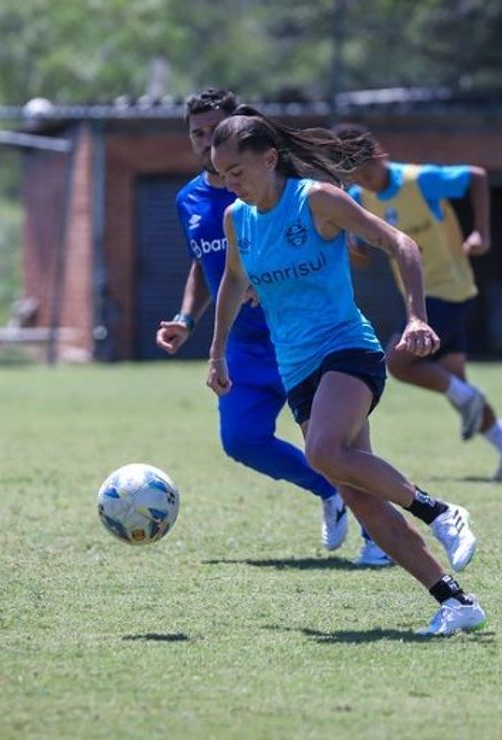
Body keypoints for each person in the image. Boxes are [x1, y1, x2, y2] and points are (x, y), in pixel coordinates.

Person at [207, 107, 486, 635]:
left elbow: (402, 243)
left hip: (347, 350)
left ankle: (441, 512)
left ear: (269, 159)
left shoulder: (315, 200)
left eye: (237, 172)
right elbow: (232, 283)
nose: (229, 183)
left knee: (322, 453)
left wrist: (416, 318)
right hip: (298, 369)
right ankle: (455, 601)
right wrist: (216, 353)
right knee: (360, 497)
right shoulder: (236, 219)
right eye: (221, 175)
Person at [155, 89, 389, 564]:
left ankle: (378, 536)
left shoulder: (285, 189)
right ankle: (329, 488)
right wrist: (186, 318)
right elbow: (206, 266)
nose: (205, 141)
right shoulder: (191, 202)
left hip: (310, 339)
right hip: (245, 347)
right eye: (196, 133)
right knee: (241, 440)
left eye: (213, 130)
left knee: (341, 442)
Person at [334, 123, 502, 481]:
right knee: (455, 384)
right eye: (356, 176)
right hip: (426, 296)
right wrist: (357, 247)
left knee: (398, 361)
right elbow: (358, 235)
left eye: (368, 171)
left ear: (378, 156)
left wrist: (481, 232)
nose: (365, 180)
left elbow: (477, 176)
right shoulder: (360, 197)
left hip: (449, 289)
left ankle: (469, 398)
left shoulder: (418, 181)